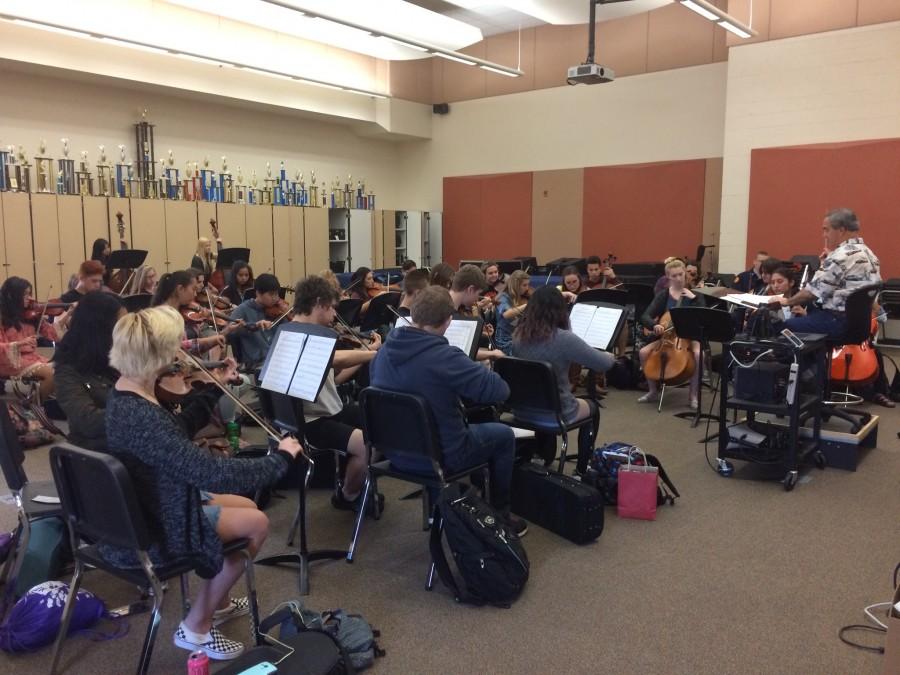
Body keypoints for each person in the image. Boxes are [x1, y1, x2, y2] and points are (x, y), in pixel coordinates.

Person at [103, 305, 302, 660]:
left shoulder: (126, 393)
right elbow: (212, 473)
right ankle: (195, 627)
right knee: (257, 524)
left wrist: (213, 390)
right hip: (157, 524)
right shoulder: (142, 416)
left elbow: (174, 435)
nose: (182, 350)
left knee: (247, 507)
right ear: (159, 354)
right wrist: (280, 460)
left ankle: (220, 599)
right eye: (175, 345)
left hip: (150, 500)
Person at [370, 285, 526, 536]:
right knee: (503, 435)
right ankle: (500, 515)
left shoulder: (384, 351)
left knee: (436, 425)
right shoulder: (445, 356)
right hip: (441, 456)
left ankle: (439, 511)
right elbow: (499, 391)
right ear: (448, 321)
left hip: (396, 452)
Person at [288, 275, 384, 514]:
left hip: (328, 409)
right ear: (319, 303)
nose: (333, 316)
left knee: (381, 424)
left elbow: (335, 378)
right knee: (366, 445)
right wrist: (372, 355)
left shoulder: (305, 331)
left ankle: (354, 481)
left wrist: (364, 353)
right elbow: (334, 359)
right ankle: (347, 495)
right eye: (331, 308)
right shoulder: (296, 334)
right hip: (310, 421)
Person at [511, 286, 614, 473]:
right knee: (593, 407)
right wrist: (610, 355)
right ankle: (582, 470)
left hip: (522, 411)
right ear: (560, 311)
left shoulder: (518, 337)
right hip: (557, 412)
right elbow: (603, 364)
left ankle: (542, 453)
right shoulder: (564, 339)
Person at [768, 209, 881, 338]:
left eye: (826, 230)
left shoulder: (840, 256)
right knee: (811, 315)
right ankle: (819, 358)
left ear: (841, 230)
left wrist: (786, 301)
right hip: (860, 326)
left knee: (781, 325)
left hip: (837, 323)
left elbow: (812, 292)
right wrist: (825, 264)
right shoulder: (870, 254)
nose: (824, 235)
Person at [638, 259, 705, 409]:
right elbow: (645, 316)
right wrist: (655, 325)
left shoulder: (695, 295)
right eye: (674, 276)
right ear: (668, 277)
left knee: (699, 354)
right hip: (668, 338)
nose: (679, 278)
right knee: (643, 352)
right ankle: (653, 391)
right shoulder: (664, 295)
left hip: (689, 337)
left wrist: (693, 299)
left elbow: (703, 316)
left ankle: (693, 395)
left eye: (681, 274)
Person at [0, 276, 73, 398]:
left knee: (66, 370)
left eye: (29, 293)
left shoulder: (32, 316)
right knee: (52, 374)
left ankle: (51, 405)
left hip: (32, 358)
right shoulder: (2, 317)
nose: (29, 298)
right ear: (12, 296)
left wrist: (69, 313)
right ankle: (33, 405)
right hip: (12, 360)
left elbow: (53, 334)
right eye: (25, 294)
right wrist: (20, 343)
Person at [152, 270, 227, 356]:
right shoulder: (162, 316)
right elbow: (174, 348)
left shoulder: (183, 313)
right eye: (193, 289)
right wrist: (207, 341)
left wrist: (222, 334)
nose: (195, 294)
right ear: (180, 289)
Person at [227, 273, 280, 367]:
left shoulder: (276, 311)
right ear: (258, 293)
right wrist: (254, 325)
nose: (275, 298)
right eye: (271, 294)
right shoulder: (243, 309)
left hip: (275, 357)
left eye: (277, 294)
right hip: (256, 362)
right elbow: (230, 331)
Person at [495, 269, 531, 355]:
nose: (527, 288)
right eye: (524, 285)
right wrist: (527, 305)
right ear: (516, 285)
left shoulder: (519, 297)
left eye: (528, 285)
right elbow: (507, 314)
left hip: (517, 338)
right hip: (504, 341)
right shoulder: (503, 297)